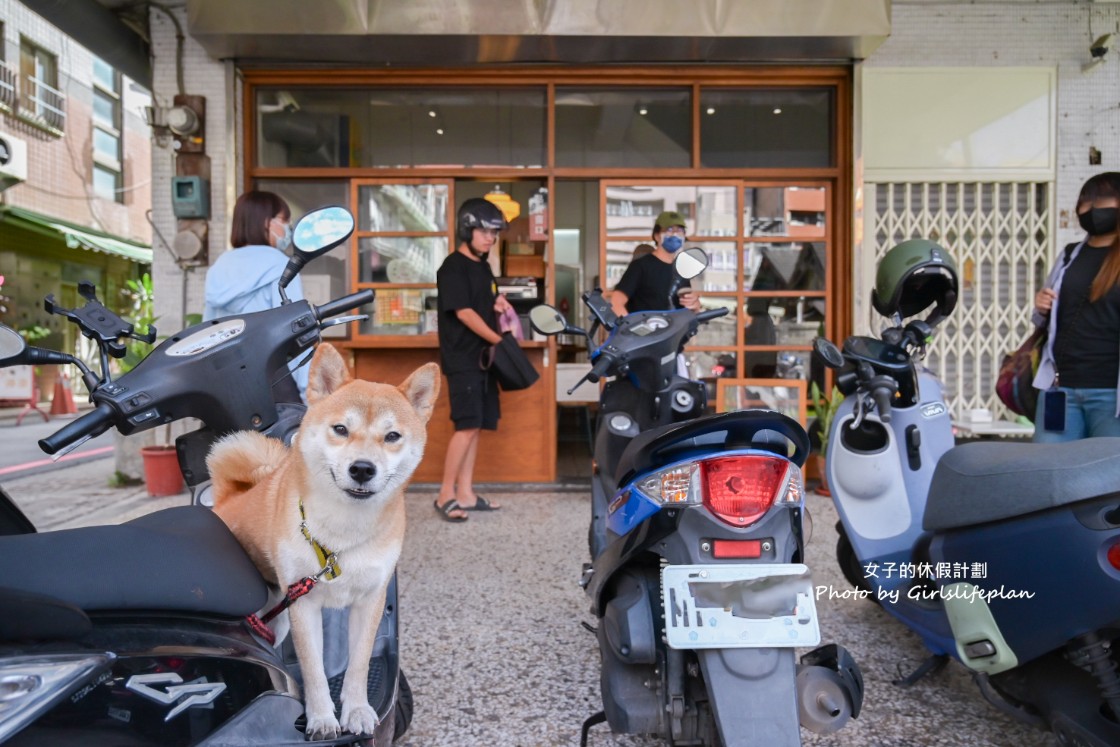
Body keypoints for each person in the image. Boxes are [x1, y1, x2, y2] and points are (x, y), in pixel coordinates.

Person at [434, 197, 512, 522]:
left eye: (494, 233)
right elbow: (463, 312)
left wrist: (496, 304)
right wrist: (498, 340)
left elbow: (479, 304)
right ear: (468, 229)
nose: (490, 238)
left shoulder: (483, 266)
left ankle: (465, 493)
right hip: (463, 359)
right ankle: (444, 495)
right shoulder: (452, 266)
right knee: (466, 427)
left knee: (476, 426)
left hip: (483, 360)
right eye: (484, 231)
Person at [1032, 172, 1120, 441]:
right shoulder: (1070, 254)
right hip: (1060, 388)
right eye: (1086, 201)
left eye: (1104, 200)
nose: (1093, 209)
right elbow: (1040, 320)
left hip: (1111, 396)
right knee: (1048, 474)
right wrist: (1041, 307)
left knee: (1108, 480)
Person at [204, 190, 306, 402]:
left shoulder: (219, 267)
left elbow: (207, 333)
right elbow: (297, 331)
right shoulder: (279, 265)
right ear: (266, 222)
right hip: (275, 381)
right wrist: (309, 394)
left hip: (227, 384)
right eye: (284, 220)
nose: (288, 228)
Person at [610, 211, 702, 317]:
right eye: (669, 230)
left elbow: (687, 309)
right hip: (646, 331)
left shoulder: (681, 269)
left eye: (680, 230)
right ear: (657, 236)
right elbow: (616, 303)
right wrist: (632, 328)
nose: (675, 235)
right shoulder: (640, 266)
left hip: (675, 332)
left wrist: (695, 305)